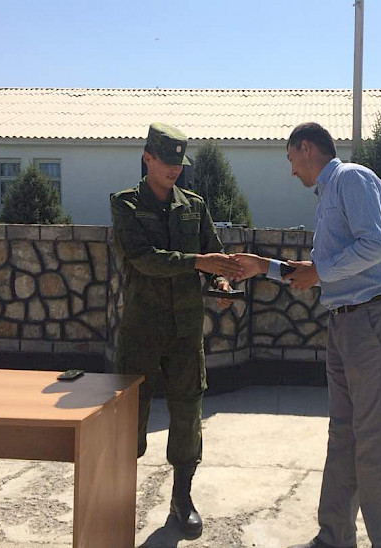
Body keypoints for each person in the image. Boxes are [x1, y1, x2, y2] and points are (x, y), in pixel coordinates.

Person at [235, 122, 381, 548]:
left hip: (372, 319)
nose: (291, 170)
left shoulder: (351, 178)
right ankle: (334, 537)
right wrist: (263, 267)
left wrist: (320, 272)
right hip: (346, 321)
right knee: (343, 435)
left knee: (376, 443)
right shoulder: (328, 194)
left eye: (291, 159)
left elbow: (376, 246)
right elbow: (315, 274)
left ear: (306, 148)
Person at [110, 122, 243, 537]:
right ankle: (117, 500)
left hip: (185, 330)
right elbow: (143, 258)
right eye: (166, 161)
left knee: (187, 413)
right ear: (147, 158)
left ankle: (181, 500)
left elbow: (214, 253)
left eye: (178, 163)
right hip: (141, 330)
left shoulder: (194, 206)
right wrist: (199, 263)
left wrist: (221, 283)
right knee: (130, 416)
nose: (173, 169)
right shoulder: (126, 204)